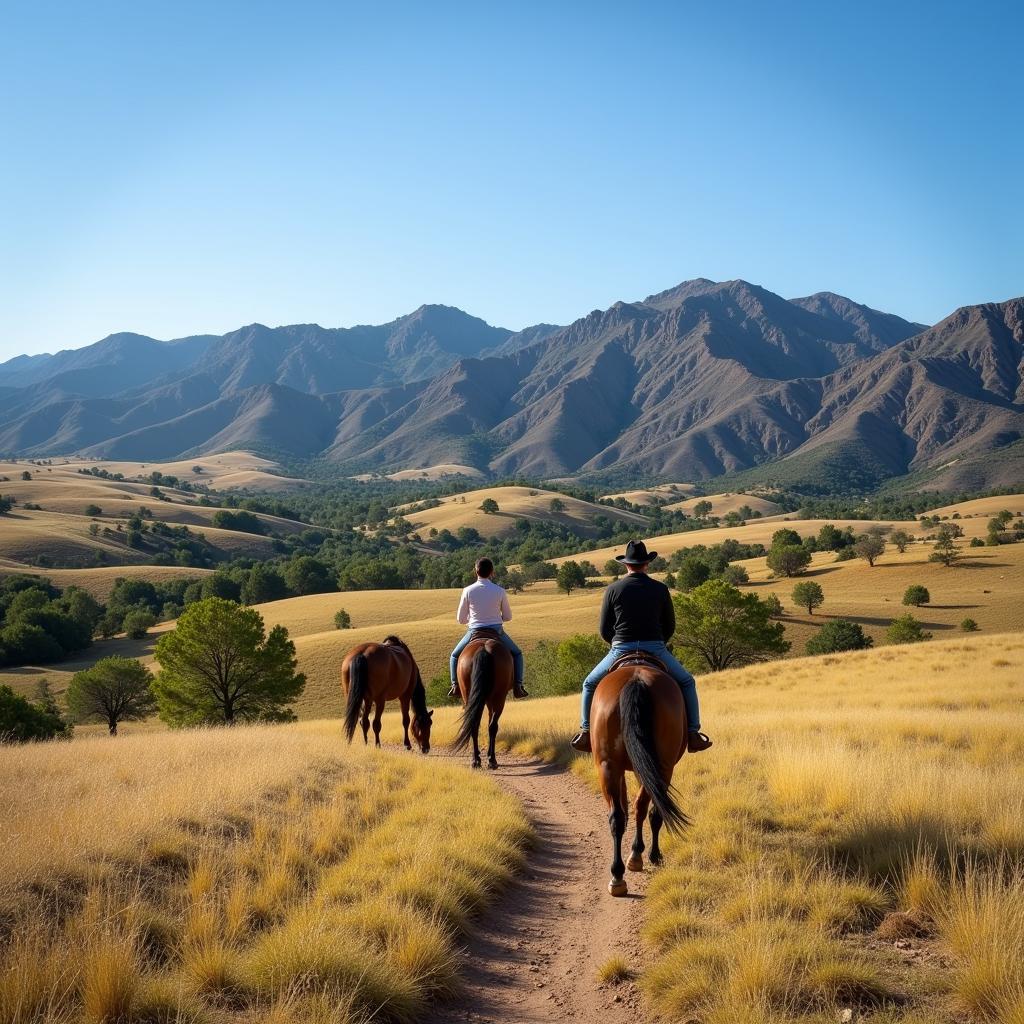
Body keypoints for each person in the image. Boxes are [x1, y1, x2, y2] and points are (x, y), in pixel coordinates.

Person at [569, 539, 711, 754]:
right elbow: (670, 625)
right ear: (647, 564)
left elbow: (604, 629)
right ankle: (693, 734)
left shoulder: (613, 589)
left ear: (626, 564)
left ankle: (586, 732)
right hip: (655, 647)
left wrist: (616, 644)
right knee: (687, 681)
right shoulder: (660, 589)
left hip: (621, 648)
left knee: (589, 684)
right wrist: (658, 642)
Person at [449, 557, 528, 699]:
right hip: (496, 630)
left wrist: (472, 620)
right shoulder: (499, 591)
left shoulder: (467, 590)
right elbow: (508, 617)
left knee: (454, 655)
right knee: (517, 654)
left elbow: (460, 619)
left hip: (474, 631)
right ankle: (518, 686)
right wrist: (497, 618)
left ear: (476, 571)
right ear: (492, 572)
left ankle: (455, 686)